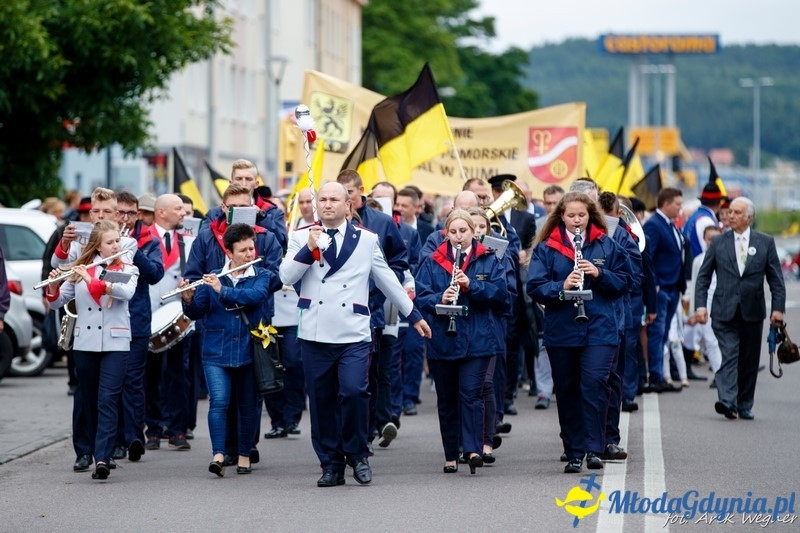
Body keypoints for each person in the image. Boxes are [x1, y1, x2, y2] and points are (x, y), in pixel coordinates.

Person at [279, 182, 431, 488]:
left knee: (354, 392)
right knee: (321, 401)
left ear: (348, 205)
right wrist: (309, 249)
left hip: (354, 330)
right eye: (323, 199)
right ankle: (331, 464)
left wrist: (413, 314)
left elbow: (387, 279)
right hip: (315, 330)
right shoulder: (301, 236)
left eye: (334, 199)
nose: (328, 204)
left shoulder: (366, 239)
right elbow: (286, 276)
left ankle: (358, 454)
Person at [527, 192, 630, 474]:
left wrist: (599, 274)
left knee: (594, 384)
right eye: (571, 215)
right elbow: (534, 286)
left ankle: (594, 448)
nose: (576, 221)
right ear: (561, 216)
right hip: (562, 329)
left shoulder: (605, 244)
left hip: (599, 327)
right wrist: (562, 286)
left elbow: (625, 282)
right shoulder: (548, 248)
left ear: (590, 215)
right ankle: (573, 452)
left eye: (581, 215)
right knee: (568, 390)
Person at [414, 209, 508, 474]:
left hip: (478, 339)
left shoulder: (488, 259)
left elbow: (502, 296)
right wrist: (440, 298)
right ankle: (451, 454)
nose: (458, 236)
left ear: (473, 231)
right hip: (444, 338)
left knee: (471, 394)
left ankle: (473, 449)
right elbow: (421, 297)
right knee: (447, 399)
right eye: (453, 232)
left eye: (463, 231)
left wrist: (472, 286)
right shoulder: (433, 261)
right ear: (446, 234)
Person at [45, 221, 139, 480]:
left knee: (107, 399)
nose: (116, 246)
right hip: (85, 342)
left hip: (115, 343)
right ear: (97, 246)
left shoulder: (127, 268)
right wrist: (52, 287)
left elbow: (125, 293)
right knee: (89, 398)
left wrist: (93, 279)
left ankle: (102, 458)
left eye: (117, 241)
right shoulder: (81, 267)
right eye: (110, 242)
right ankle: (93, 449)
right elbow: (58, 303)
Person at [181, 224, 270, 476]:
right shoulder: (213, 276)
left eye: (251, 248)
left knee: (247, 405)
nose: (250, 254)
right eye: (243, 250)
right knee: (219, 402)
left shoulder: (261, 275)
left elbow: (255, 297)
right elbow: (197, 312)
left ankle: (244, 455)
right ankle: (218, 454)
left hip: (249, 348)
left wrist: (222, 289)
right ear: (228, 252)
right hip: (216, 349)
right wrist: (188, 299)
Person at [694, 197, 785, 420]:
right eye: (730, 212)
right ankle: (727, 401)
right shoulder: (718, 242)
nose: (730, 216)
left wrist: (778, 308)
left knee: (749, 360)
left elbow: (776, 280)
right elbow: (703, 277)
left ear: (749, 217)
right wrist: (700, 306)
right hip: (723, 310)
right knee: (729, 354)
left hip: (752, 311)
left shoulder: (765, 242)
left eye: (736, 212)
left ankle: (744, 404)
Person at [111, 191, 164, 464]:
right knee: (113, 382)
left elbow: (155, 274)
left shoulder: (148, 240)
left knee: (133, 381)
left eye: (131, 213)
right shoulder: (103, 237)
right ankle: (116, 439)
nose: (126, 218)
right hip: (109, 320)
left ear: (138, 214)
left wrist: (133, 251)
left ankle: (133, 438)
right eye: (121, 212)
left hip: (137, 320)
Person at [145, 194, 195, 451]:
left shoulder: (187, 240)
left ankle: (177, 429)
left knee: (178, 374)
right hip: (149, 315)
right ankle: (153, 429)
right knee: (151, 375)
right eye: (178, 209)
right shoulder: (144, 239)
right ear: (161, 212)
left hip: (177, 317)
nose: (183, 212)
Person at [642, 187, 685, 393]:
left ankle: (659, 374)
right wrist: (656, 286)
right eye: (677, 204)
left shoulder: (669, 224)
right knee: (657, 333)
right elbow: (648, 257)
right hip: (662, 289)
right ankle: (655, 376)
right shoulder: (654, 224)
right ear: (666, 204)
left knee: (664, 334)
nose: (680, 208)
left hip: (673, 287)